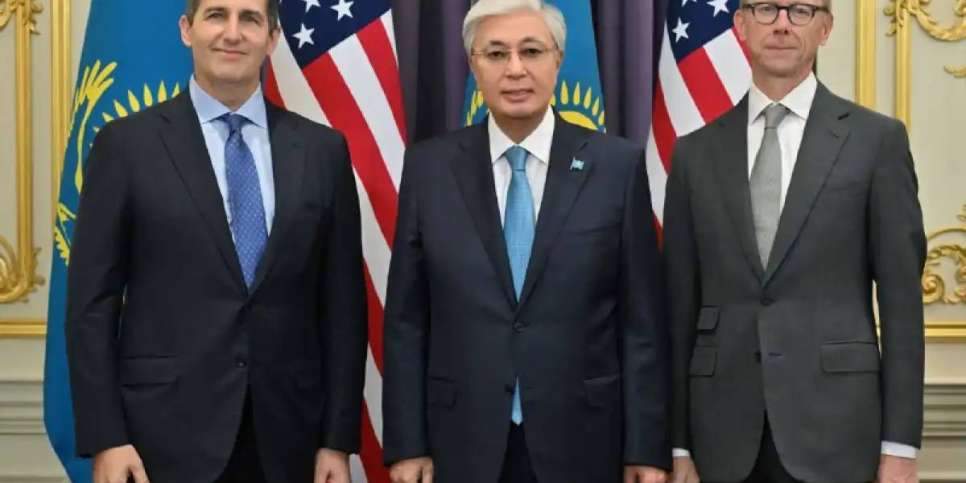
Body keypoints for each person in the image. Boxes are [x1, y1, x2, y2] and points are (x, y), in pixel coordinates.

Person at [65, 0, 368, 481]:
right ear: (187, 30)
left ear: (271, 39)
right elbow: (91, 306)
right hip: (158, 440)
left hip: (290, 440)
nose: (232, 32)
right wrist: (107, 437)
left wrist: (337, 440)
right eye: (216, 15)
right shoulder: (125, 145)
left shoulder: (322, 151)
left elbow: (344, 309)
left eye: (250, 19)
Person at [382, 1, 670, 482]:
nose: (515, 69)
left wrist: (645, 450)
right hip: (461, 443)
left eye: (531, 51)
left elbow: (641, 324)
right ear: (473, 64)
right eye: (496, 54)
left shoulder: (616, 167)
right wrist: (407, 445)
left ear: (558, 59)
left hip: (584, 443)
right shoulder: (429, 169)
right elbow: (407, 320)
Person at [664, 1, 926, 482]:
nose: (782, 24)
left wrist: (900, 446)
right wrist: (678, 445)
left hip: (839, 434)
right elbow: (678, 310)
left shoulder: (876, 142)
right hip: (719, 437)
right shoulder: (693, 154)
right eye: (767, 9)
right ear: (741, 25)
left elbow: (903, 307)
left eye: (800, 10)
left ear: (825, 28)